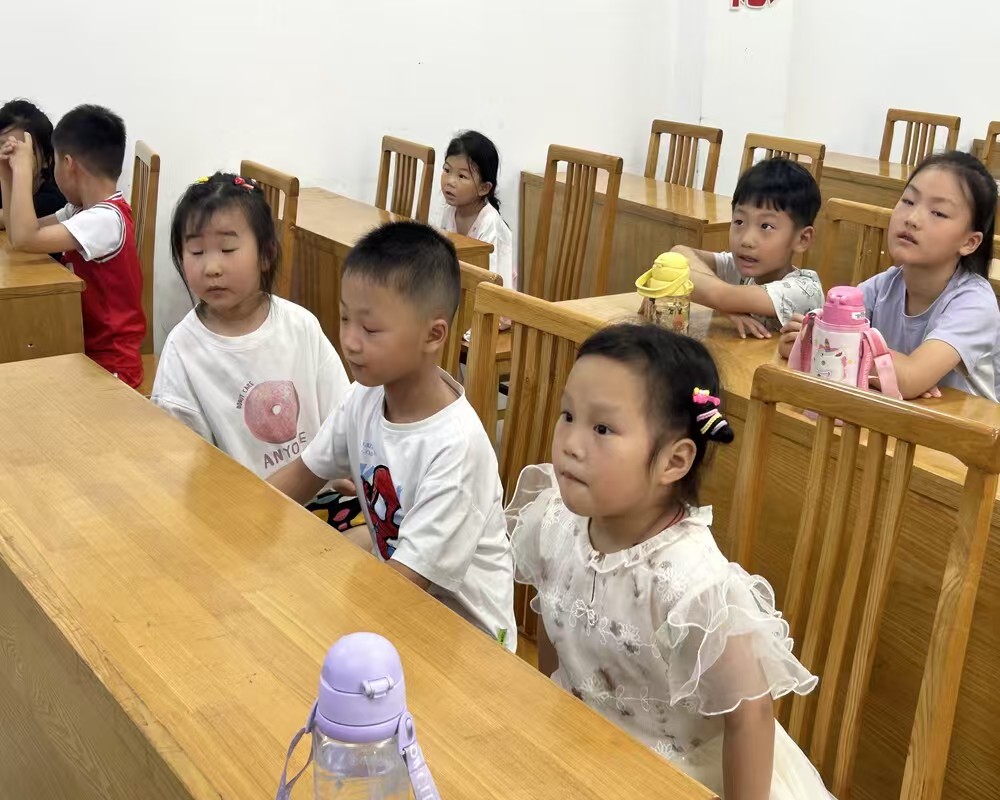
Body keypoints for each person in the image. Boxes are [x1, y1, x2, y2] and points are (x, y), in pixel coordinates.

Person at [507, 323, 833, 799]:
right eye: (568, 415)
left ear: (674, 462)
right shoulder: (556, 521)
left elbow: (751, 715)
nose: (571, 443)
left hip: (682, 777)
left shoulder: (691, 583)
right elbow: (558, 627)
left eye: (602, 428)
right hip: (587, 755)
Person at [268, 221, 517, 651]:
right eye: (345, 318)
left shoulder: (456, 448)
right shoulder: (363, 397)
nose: (350, 341)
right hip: (401, 610)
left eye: (370, 329)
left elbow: (405, 586)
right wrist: (240, 522)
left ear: (433, 335)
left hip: (466, 643)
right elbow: (301, 476)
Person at [151, 173, 352, 482]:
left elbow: (343, 415)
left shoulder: (300, 326)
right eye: (197, 252)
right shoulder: (183, 350)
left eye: (228, 249)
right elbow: (182, 464)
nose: (212, 268)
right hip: (239, 505)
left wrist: (343, 473)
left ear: (266, 254)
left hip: (320, 494)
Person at [779, 151, 998, 402]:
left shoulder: (975, 303)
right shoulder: (883, 285)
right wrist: (809, 340)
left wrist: (828, 343)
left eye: (938, 213)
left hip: (962, 425)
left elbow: (911, 378)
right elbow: (809, 346)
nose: (912, 219)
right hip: (897, 415)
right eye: (908, 201)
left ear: (969, 242)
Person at [0, 104, 145, 387]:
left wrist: (23, 171)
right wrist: (7, 175)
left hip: (112, 366)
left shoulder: (105, 220)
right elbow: (18, 233)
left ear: (68, 164)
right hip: (84, 349)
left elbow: (25, 238)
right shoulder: (80, 211)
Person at [672, 158, 823, 339]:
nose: (746, 240)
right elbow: (677, 254)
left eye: (766, 226)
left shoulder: (802, 290)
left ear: (802, 239)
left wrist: (723, 303)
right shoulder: (744, 268)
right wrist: (727, 308)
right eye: (739, 222)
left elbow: (720, 295)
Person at [439, 130, 515, 292]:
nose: (450, 181)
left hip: (491, 298)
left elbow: (488, 283)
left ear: (484, 188)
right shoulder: (449, 211)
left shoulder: (489, 223)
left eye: (461, 176)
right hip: (463, 290)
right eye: (447, 170)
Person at [0, 99, 66, 225]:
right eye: (1, 146)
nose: (6, 154)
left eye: (18, 148)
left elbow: (13, 220)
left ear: (47, 159)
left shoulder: (53, 199)